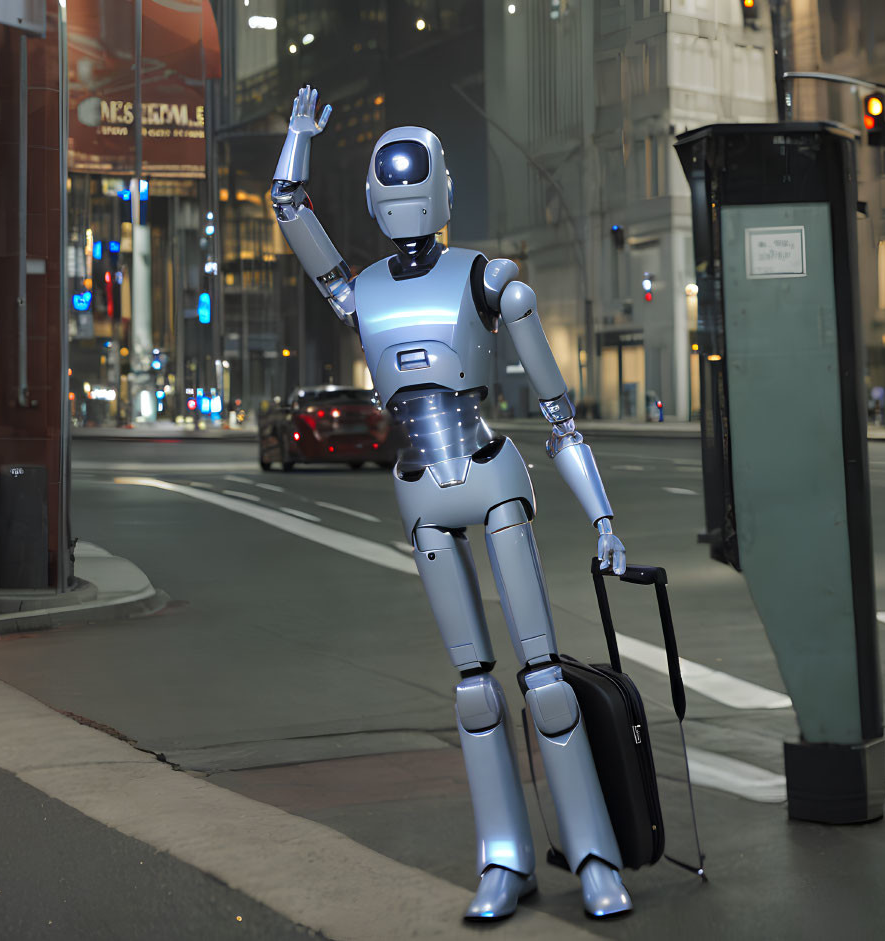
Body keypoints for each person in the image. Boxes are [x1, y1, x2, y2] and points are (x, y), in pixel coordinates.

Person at [271, 86, 632, 921]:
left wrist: (604, 516)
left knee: (543, 680)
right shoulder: (359, 288)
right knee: (474, 687)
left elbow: (557, 415)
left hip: (489, 473)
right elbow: (289, 205)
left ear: (434, 190)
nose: (400, 193)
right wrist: (296, 138)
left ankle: (593, 854)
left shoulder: (487, 280)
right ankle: (503, 857)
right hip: (419, 491)